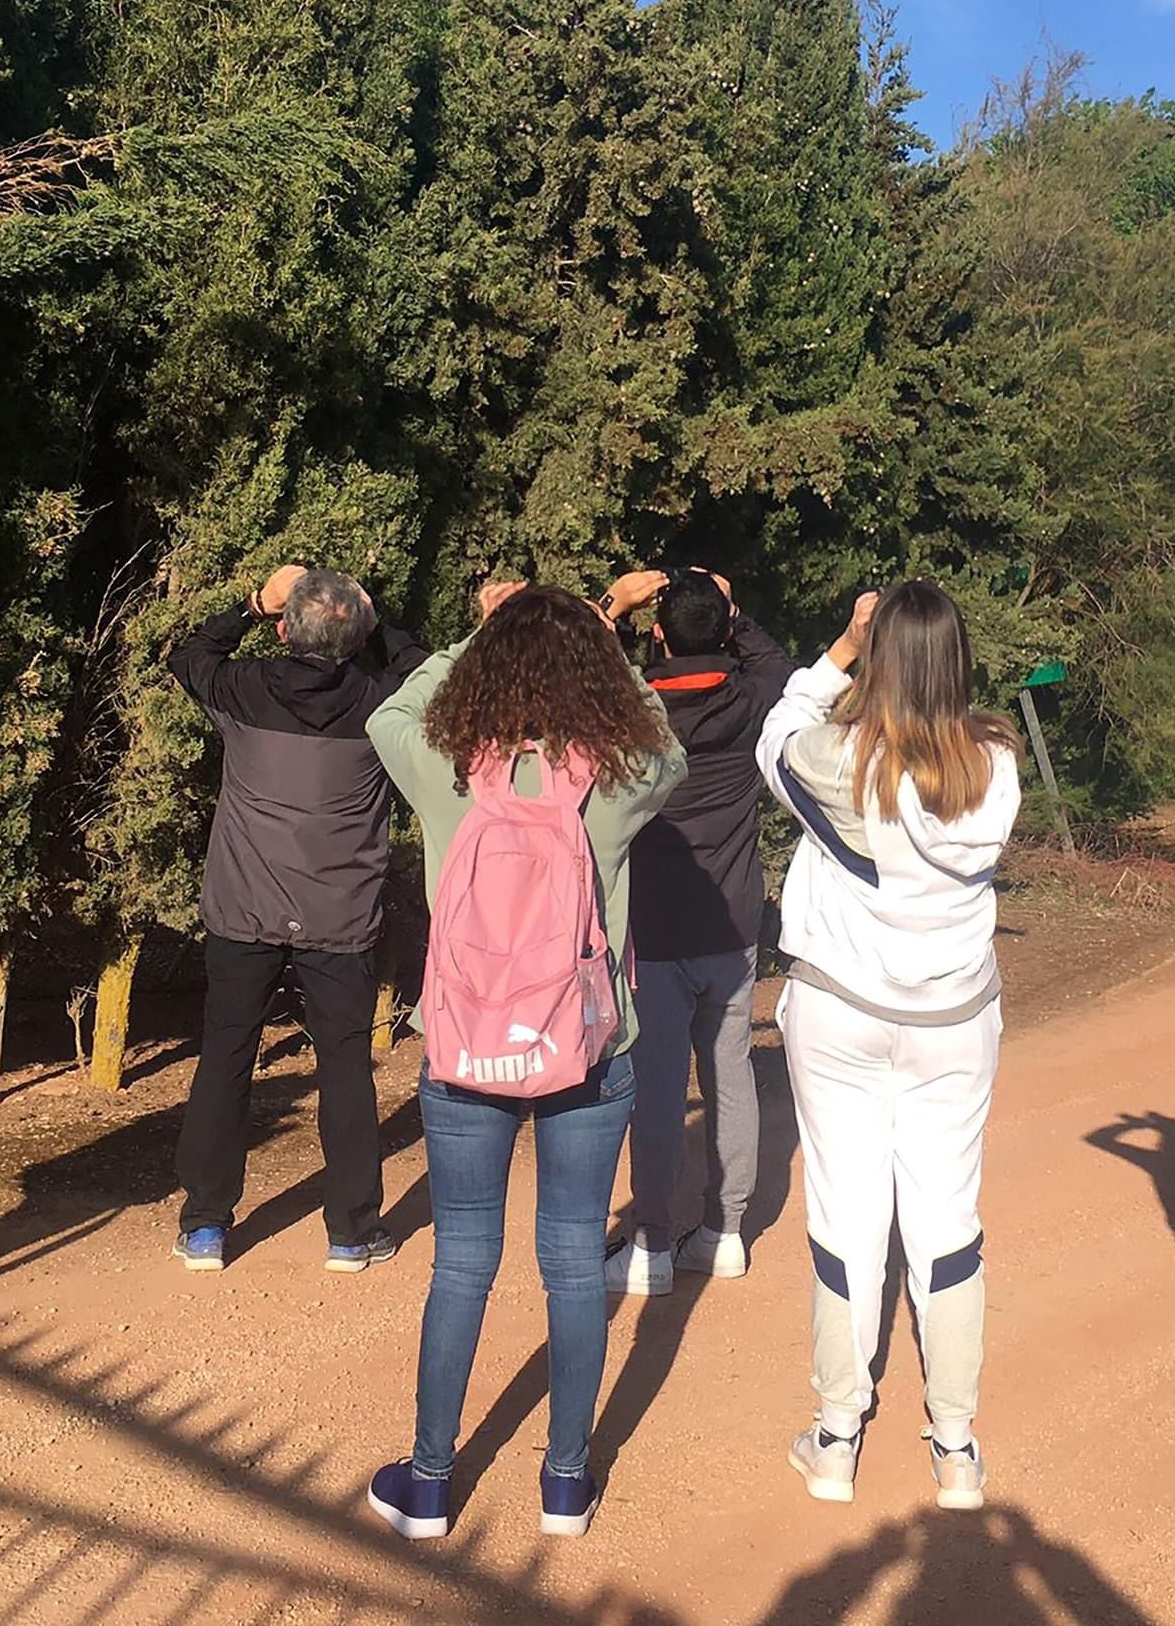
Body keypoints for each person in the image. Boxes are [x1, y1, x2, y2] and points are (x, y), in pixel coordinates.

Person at [361, 579, 687, 1541]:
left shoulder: (442, 763)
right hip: (589, 1045)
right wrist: (601, 629)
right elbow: (665, 734)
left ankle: (428, 1482)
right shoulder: (620, 770)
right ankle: (565, 1483)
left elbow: (393, 709)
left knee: (462, 1258)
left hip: (467, 1047)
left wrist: (481, 627)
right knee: (573, 1264)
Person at [757, 581, 1023, 1513]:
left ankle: (836, 1436)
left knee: (846, 1216)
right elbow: (938, 749)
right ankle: (954, 1444)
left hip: (841, 1011)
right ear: (958, 659)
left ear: (879, 659)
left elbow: (773, 739)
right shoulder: (998, 760)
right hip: (954, 1018)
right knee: (947, 1224)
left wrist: (840, 647)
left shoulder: (845, 761)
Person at [167, 564, 427, 1275]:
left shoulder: (245, 690)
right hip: (337, 913)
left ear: (283, 628)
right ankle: (350, 1230)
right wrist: (374, 626)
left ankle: (205, 1225)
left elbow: (188, 655)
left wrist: (250, 601)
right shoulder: (382, 703)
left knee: (226, 1055)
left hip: (244, 905)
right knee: (345, 1064)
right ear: (357, 638)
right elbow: (431, 673)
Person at [602, 567, 797, 1297]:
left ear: (658, 634)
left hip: (653, 928)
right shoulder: (751, 699)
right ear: (724, 631)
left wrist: (613, 605)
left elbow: (582, 664)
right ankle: (723, 1231)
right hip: (733, 920)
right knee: (731, 1071)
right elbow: (781, 667)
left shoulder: (637, 709)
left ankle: (651, 1243)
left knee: (655, 1090)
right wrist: (733, 609)